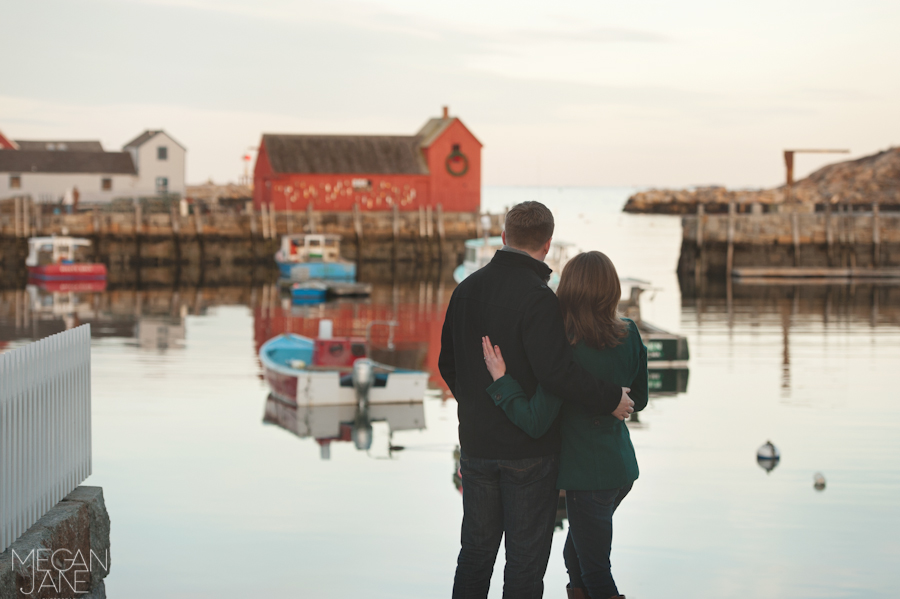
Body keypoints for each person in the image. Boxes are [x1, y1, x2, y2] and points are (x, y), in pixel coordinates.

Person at [439, 202, 634, 599]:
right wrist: (611, 397)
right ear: (547, 245)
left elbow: (447, 364)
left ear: (504, 237)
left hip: (476, 447)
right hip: (530, 453)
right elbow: (558, 374)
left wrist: (478, 409)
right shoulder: (540, 298)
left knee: (475, 556)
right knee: (525, 564)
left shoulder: (465, 290)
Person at [481, 250, 648, 599]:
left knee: (596, 571)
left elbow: (535, 420)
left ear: (568, 290)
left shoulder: (567, 346)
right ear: (612, 289)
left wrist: (502, 381)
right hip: (621, 470)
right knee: (575, 557)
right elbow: (640, 400)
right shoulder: (630, 332)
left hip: (589, 477)